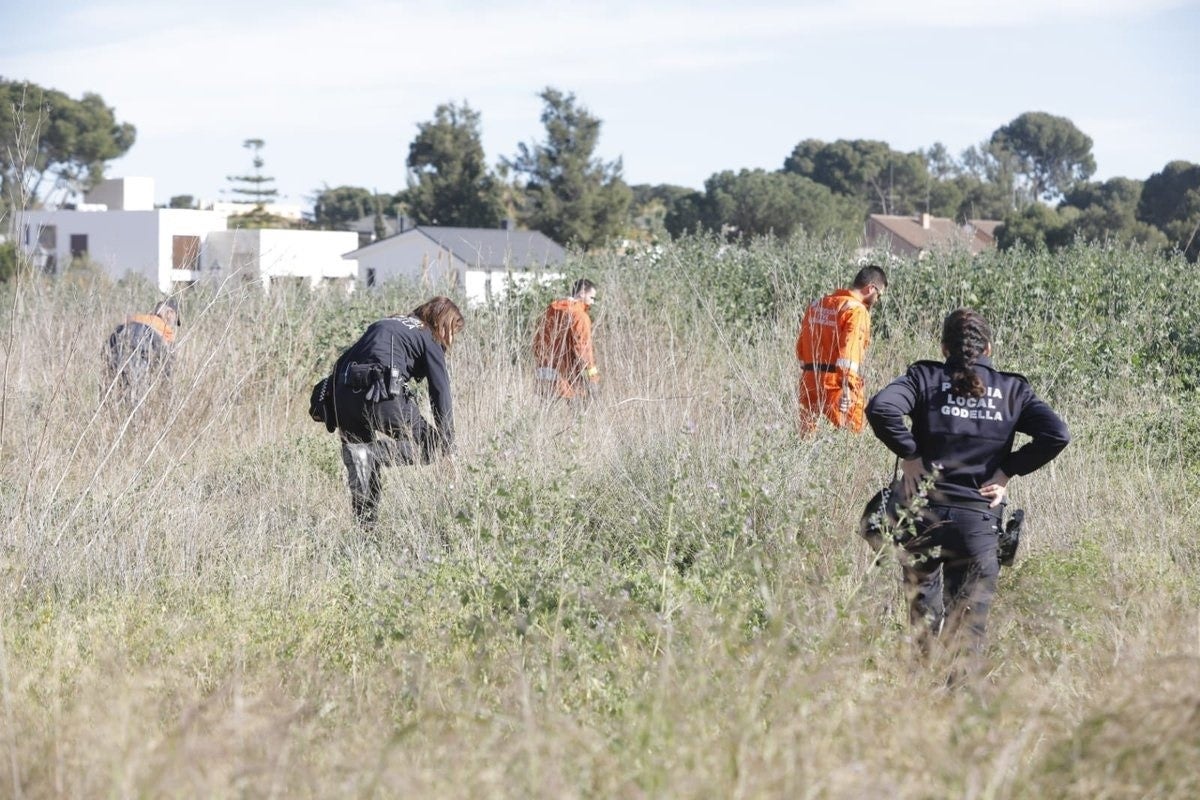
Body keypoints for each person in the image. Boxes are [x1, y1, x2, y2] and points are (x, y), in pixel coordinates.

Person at [866, 308, 1070, 674]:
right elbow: (1057, 434)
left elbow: (881, 408)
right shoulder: (1013, 390)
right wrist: (1008, 470)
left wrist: (910, 454)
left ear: (944, 347)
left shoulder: (924, 377)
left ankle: (918, 704)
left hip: (923, 520)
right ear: (989, 347)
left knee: (922, 623)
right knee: (966, 636)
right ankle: (955, 710)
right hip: (977, 526)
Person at [322, 296, 464, 528]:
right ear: (443, 323)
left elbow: (342, 361)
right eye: (453, 331)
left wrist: (333, 403)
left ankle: (365, 532)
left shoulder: (386, 323)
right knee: (432, 447)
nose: (451, 339)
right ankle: (370, 453)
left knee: (362, 467)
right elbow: (440, 393)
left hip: (343, 395)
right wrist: (449, 448)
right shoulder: (428, 334)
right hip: (382, 394)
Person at [795, 265, 887, 434]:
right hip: (837, 385)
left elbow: (801, 349)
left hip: (808, 381)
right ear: (871, 288)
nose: (877, 301)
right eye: (879, 295)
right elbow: (849, 355)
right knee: (852, 437)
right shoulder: (856, 310)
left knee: (806, 440)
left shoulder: (817, 305)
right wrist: (847, 388)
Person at [533, 278, 600, 400]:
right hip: (565, 379)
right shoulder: (579, 316)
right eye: (592, 298)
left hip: (543, 374)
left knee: (545, 417)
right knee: (579, 416)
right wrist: (593, 378)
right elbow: (583, 350)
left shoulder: (550, 311)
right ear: (582, 293)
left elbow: (537, 341)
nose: (592, 303)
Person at [105, 298, 180, 404]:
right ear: (169, 313)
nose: (173, 324)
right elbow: (169, 362)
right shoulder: (165, 330)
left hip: (115, 358)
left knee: (112, 399)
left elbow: (108, 343)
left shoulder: (134, 319)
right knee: (134, 403)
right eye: (175, 319)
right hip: (137, 366)